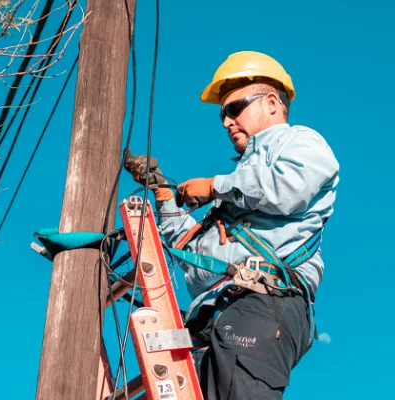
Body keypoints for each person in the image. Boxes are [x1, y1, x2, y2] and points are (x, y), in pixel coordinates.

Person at [125, 51, 339, 399]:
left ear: (271, 102)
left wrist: (214, 187)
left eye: (234, 108)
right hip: (214, 315)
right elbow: (194, 255)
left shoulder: (298, 141)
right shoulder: (240, 189)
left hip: (264, 302)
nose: (226, 122)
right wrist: (164, 193)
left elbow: (290, 189)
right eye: (223, 114)